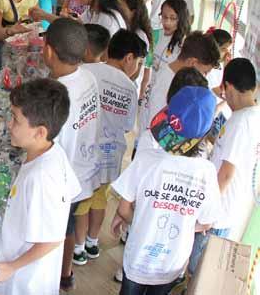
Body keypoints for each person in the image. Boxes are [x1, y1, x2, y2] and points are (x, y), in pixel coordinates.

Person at [110, 86, 220, 294]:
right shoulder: (207, 173)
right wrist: (183, 222)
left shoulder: (146, 160)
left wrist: (143, 218)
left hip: (138, 258)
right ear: (205, 133)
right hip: (172, 263)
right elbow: (206, 221)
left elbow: (124, 210)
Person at [0, 79, 80, 295]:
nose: (9, 125)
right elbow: (71, 193)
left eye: (16, 120)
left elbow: (52, 238)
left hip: (26, 282)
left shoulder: (41, 177)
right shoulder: (53, 151)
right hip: (22, 266)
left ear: (39, 132)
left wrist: (12, 267)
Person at [75, 30, 146, 267]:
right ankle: (93, 242)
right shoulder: (129, 87)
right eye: (137, 61)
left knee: (82, 200)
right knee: (100, 200)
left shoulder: (87, 71)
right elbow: (127, 126)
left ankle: (77, 248)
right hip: (109, 154)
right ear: (128, 58)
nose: (136, 67)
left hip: (84, 152)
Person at [40, 18, 100, 291]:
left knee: (54, 232)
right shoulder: (88, 77)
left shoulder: (59, 94)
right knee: (68, 227)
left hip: (60, 184)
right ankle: (66, 274)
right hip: (83, 173)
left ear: (49, 51)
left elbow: (46, 146)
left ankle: (51, 278)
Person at [188, 58, 259, 275]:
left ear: (228, 86)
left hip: (219, 213)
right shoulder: (253, 116)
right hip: (232, 209)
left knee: (199, 270)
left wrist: (207, 213)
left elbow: (226, 174)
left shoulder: (240, 122)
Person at [138, 31, 221, 149]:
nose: (204, 77)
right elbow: (157, 129)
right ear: (192, 62)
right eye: (205, 72)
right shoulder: (167, 85)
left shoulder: (169, 70)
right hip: (151, 149)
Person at [118, 0, 154, 89]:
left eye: (122, 9)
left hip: (126, 86)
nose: (118, 12)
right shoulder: (125, 28)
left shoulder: (139, 36)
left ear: (133, 12)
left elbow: (135, 71)